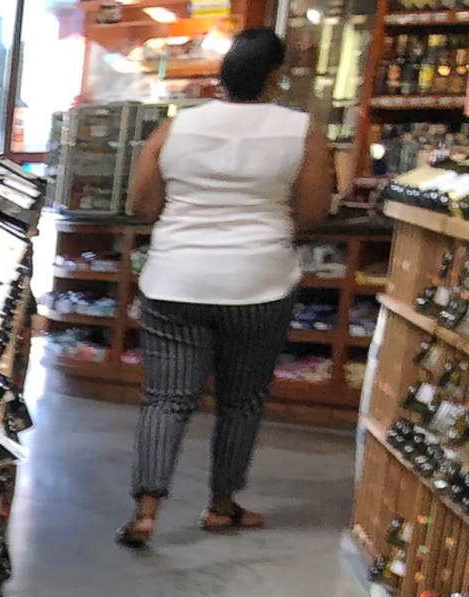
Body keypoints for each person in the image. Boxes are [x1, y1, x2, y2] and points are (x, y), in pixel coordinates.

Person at [115, 29, 334, 548]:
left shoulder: (176, 128)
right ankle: (220, 506)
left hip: (175, 282)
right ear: (276, 76)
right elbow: (311, 214)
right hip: (260, 282)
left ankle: (146, 513)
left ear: (223, 73)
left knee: (165, 399)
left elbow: (142, 204)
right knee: (241, 401)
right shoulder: (303, 131)